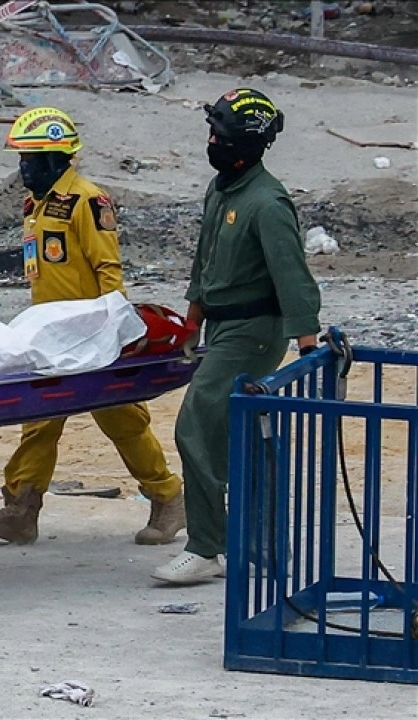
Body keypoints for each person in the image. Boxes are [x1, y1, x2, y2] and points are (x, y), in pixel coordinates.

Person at [0, 107, 186, 547]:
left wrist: (116, 333)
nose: (23, 168)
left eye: (30, 159)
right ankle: (21, 509)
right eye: (22, 159)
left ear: (55, 159)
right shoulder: (37, 205)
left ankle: (168, 498)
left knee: (122, 419)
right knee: (39, 419)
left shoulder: (87, 201)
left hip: (90, 335)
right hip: (50, 336)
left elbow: (108, 269)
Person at [153, 88, 321, 584]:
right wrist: (192, 318)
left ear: (246, 144)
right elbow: (204, 260)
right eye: (212, 133)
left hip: (255, 332)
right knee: (237, 435)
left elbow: (293, 277)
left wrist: (308, 347)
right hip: (222, 327)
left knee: (197, 423)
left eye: (221, 137)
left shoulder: (267, 204)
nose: (212, 143)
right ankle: (257, 543)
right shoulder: (222, 188)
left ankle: (205, 547)